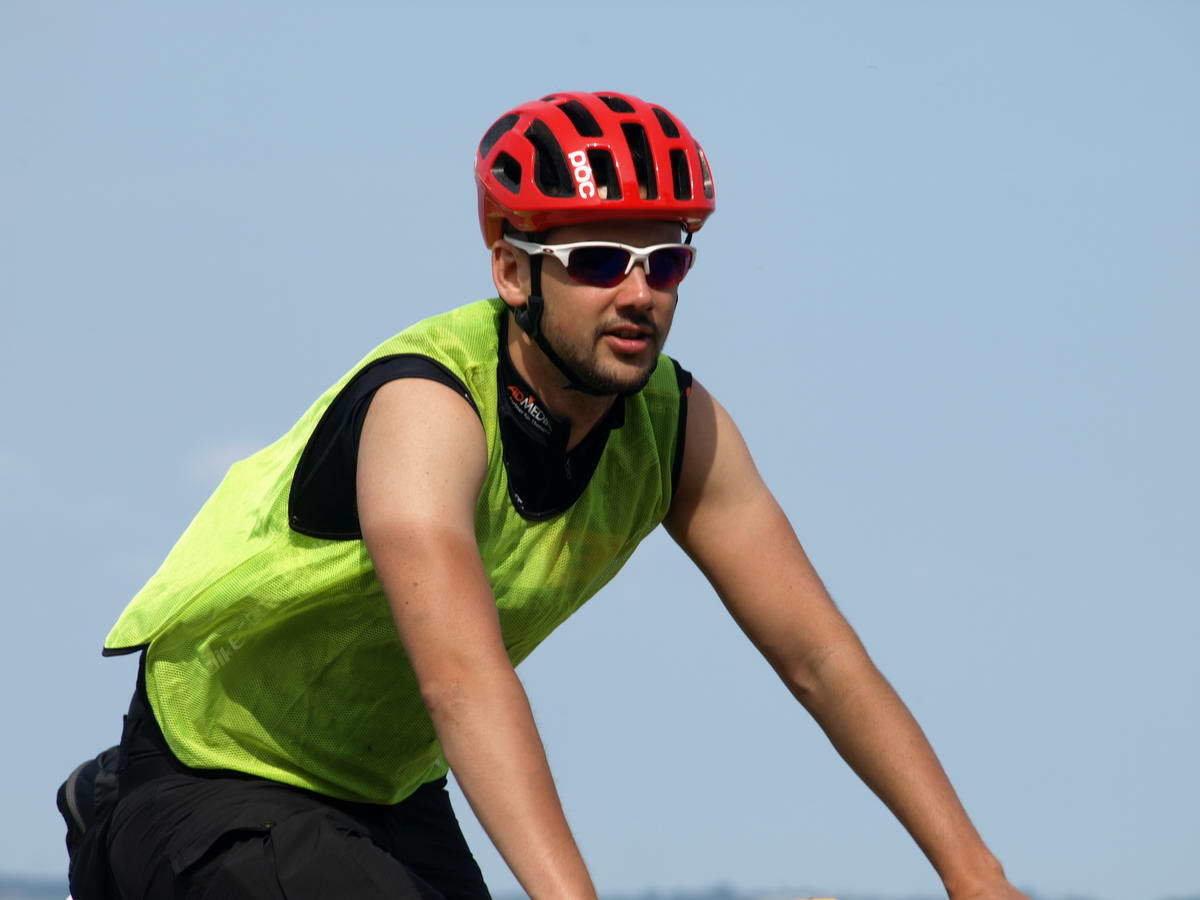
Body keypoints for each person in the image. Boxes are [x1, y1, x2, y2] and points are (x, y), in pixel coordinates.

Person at [59, 90, 1031, 900]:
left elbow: (820, 657)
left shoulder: (676, 425)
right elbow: (461, 679)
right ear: (513, 272)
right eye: (599, 261)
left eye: (666, 260)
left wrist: (976, 876)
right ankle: (107, 824)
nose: (639, 293)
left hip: (388, 791)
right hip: (213, 778)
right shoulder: (429, 408)